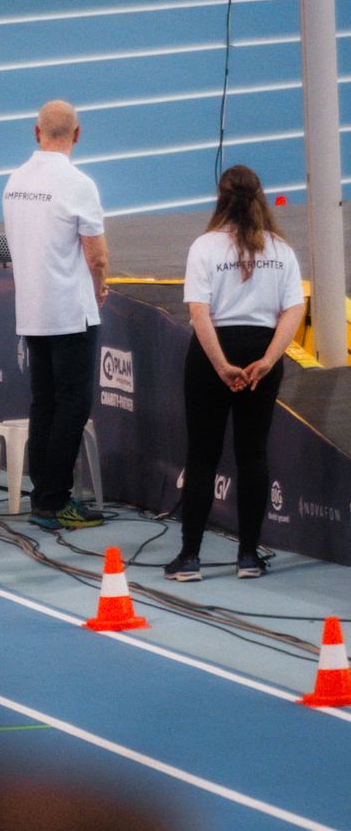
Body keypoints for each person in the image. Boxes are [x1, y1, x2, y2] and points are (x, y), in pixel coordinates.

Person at [164, 166, 304, 581]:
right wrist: (269, 359)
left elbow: (199, 313)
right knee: (253, 454)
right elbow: (293, 310)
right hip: (261, 350)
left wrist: (221, 364)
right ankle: (248, 555)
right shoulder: (280, 249)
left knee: (202, 455)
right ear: (261, 197)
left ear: (220, 199)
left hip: (213, 353)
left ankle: (190, 556)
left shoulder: (205, 247)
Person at [1, 99, 108, 531]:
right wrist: (99, 287)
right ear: (77, 135)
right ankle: (53, 499)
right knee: (72, 406)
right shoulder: (78, 184)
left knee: (43, 403)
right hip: (70, 312)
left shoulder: (13, 182)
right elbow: (97, 256)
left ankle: (42, 494)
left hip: (31, 310)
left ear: (35, 131)